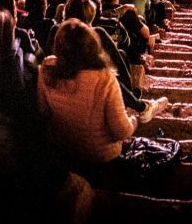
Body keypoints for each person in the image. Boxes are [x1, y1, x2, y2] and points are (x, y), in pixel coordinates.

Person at [37, 19, 136, 165]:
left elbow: (43, 110)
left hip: (63, 153)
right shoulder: (104, 78)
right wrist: (133, 120)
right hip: (101, 157)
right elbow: (122, 132)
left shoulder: (47, 69)